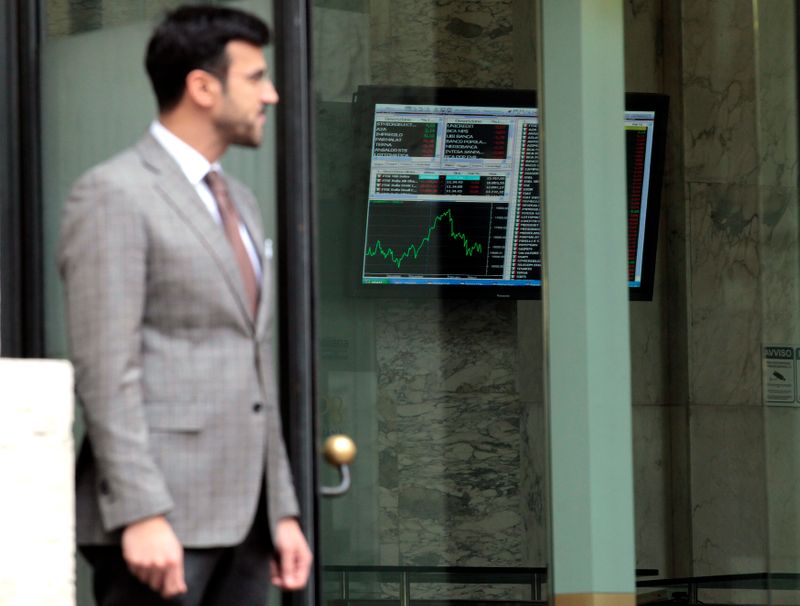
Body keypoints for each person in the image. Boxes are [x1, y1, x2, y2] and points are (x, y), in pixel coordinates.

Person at [58, 6, 312, 605]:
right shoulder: (113, 194)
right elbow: (105, 370)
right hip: (160, 525)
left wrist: (281, 509)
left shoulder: (242, 202)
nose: (271, 94)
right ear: (202, 86)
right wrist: (141, 511)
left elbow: (254, 365)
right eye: (255, 77)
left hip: (247, 523)